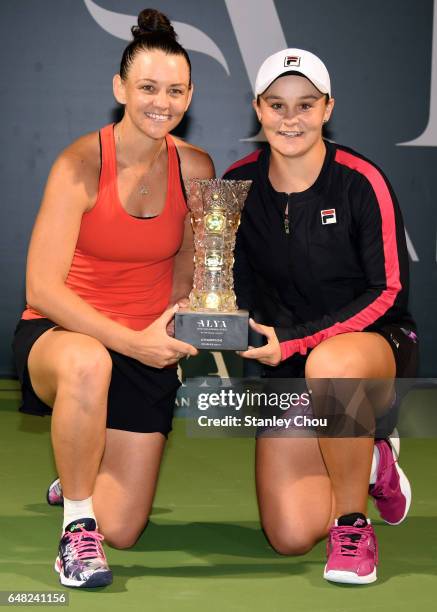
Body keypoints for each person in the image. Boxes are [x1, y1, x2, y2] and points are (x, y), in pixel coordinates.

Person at [12, 8, 214, 589]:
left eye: (175, 90)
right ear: (120, 88)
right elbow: (41, 289)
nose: (162, 101)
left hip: (145, 343)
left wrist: (173, 332)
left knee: (123, 528)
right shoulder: (79, 164)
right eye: (148, 87)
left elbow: (185, 268)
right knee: (88, 362)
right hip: (63, 336)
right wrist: (132, 342)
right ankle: (76, 528)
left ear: (190, 95)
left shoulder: (195, 166)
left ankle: (80, 458)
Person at [223, 48, 418, 585]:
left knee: (331, 364)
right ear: (258, 110)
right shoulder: (236, 185)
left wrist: (295, 339)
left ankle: (354, 527)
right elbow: (233, 283)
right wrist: (225, 322)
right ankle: (372, 458)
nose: (292, 119)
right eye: (278, 105)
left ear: (328, 108)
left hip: (370, 348)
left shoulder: (360, 180)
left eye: (306, 104)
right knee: (288, 535)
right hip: (288, 364)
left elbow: (389, 291)